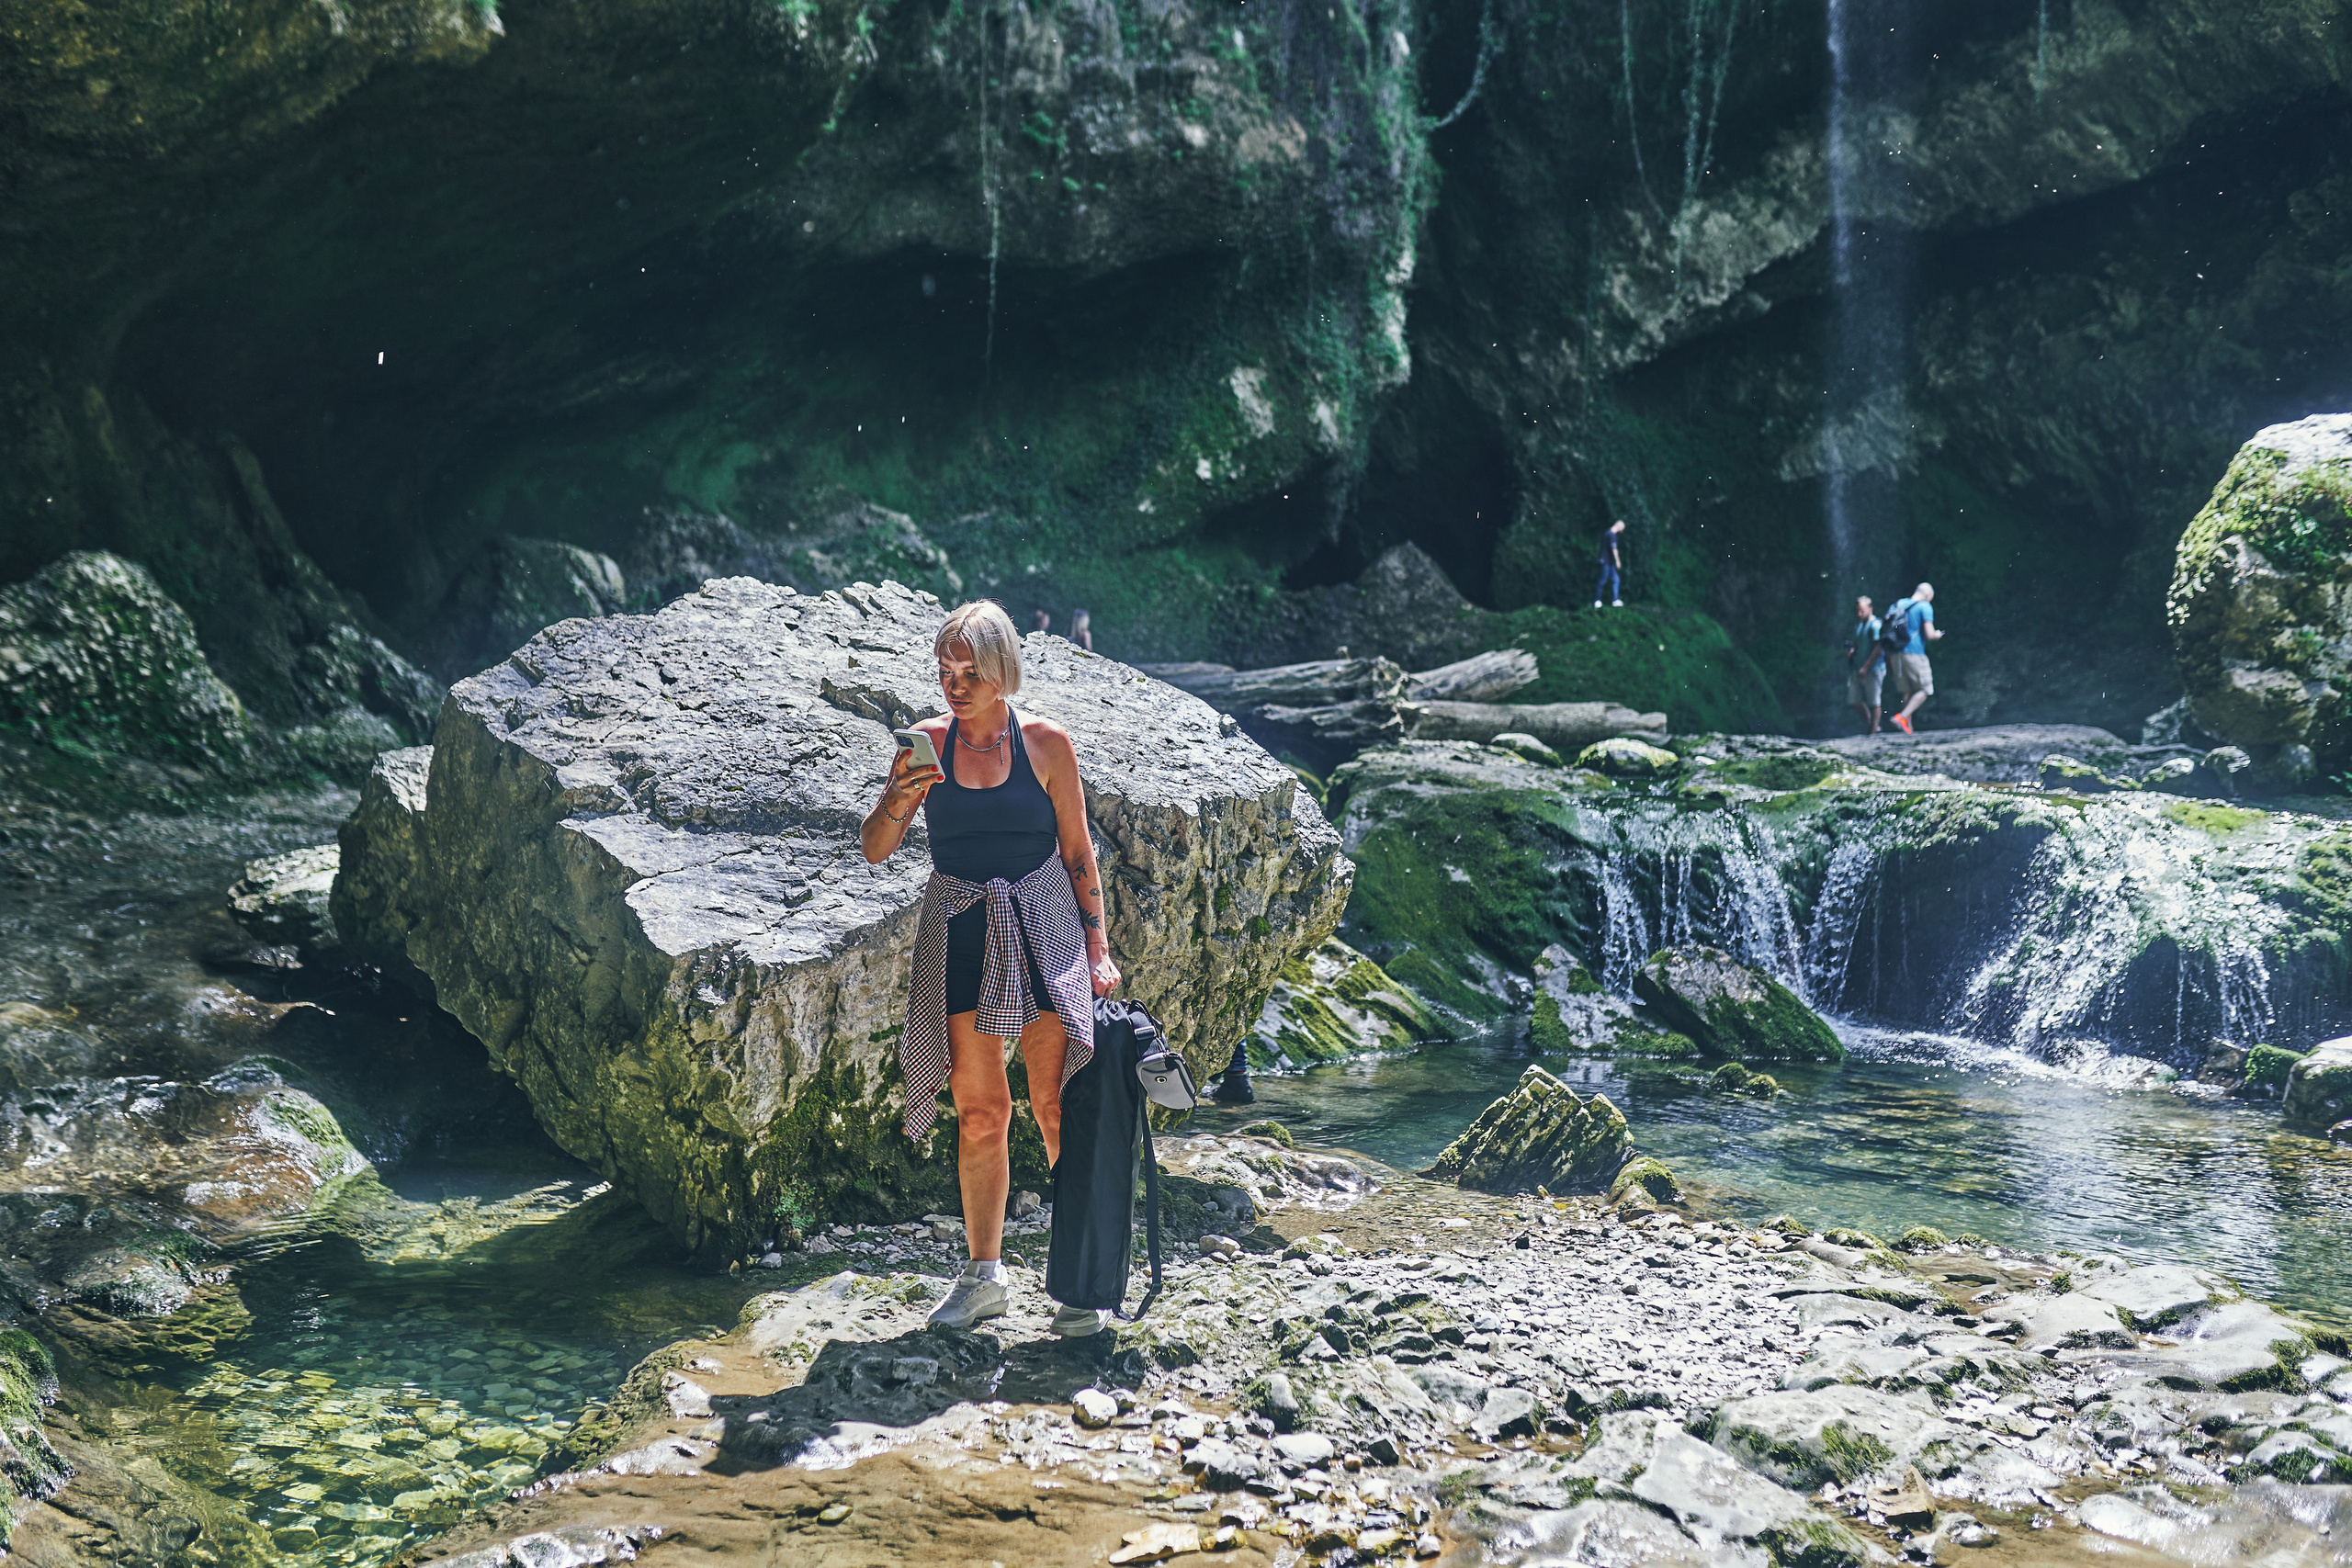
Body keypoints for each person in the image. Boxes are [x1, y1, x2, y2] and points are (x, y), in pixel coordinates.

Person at [861, 600, 1122, 1336]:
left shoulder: (1046, 744)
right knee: (981, 1114)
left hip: (1043, 923)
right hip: (962, 929)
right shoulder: (925, 745)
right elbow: (876, 848)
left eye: (970, 672)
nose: (955, 685)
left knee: (1055, 1104)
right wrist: (899, 797)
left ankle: (1079, 1280)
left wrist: (1098, 948)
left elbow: (1078, 853)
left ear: (1003, 670)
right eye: (946, 671)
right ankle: (984, 1278)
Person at [1884, 582, 1942, 734]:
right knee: (1925, 689)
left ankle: (1907, 728)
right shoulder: (1924, 606)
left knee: (1906, 691)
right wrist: (1938, 635)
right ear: (1928, 596)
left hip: (1895, 654)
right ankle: (1902, 717)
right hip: (1914, 654)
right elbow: (1930, 635)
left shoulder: (1896, 605)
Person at [1846, 595, 1884, 734]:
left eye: (1862, 611)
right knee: (1854, 700)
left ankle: (1873, 731)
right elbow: (1857, 644)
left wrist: (1866, 667)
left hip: (1873, 668)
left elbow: (1878, 648)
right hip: (1858, 668)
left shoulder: (1875, 625)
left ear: (1870, 609)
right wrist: (1852, 651)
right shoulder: (1860, 625)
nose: (1859, 614)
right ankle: (1872, 725)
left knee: (1874, 701)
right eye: (1857, 611)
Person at [1594, 519, 1627, 608]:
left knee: (1616, 579)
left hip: (1609, 562)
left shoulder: (1607, 533)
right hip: (1605, 561)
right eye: (1622, 528)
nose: (1622, 531)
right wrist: (1618, 561)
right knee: (1602, 580)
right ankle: (1597, 600)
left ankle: (1615, 600)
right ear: (1619, 526)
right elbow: (1614, 549)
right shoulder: (1611, 535)